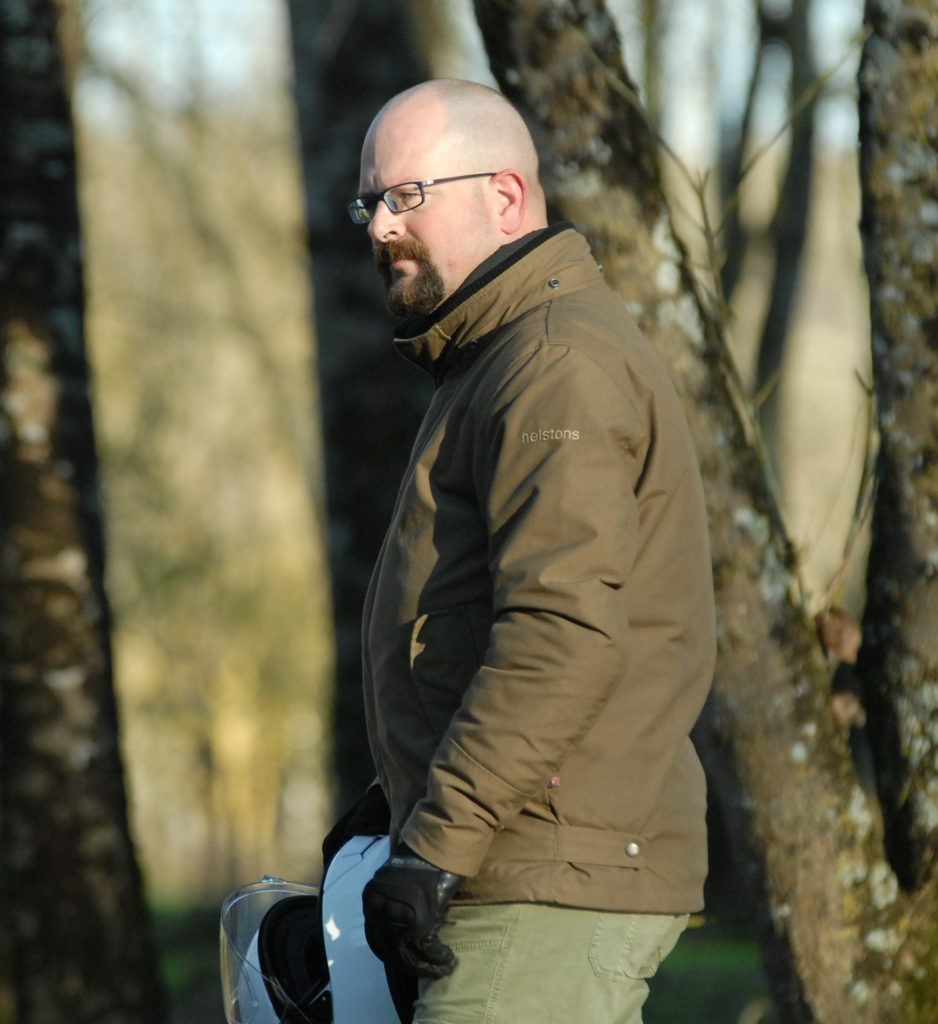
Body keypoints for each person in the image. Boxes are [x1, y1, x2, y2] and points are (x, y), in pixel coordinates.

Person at [334, 78, 716, 1024]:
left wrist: (436, 849)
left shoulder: (553, 366)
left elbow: (561, 636)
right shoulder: (496, 361)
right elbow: (460, 630)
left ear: (505, 194)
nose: (381, 226)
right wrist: (399, 808)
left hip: (544, 880)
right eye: (370, 200)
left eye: (406, 196)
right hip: (521, 863)